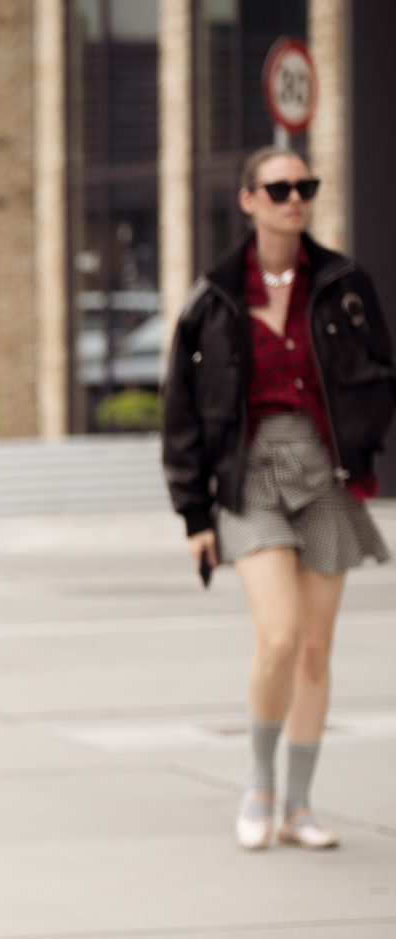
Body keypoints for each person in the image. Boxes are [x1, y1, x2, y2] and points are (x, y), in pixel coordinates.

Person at [162, 146, 394, 851]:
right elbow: (181, 413)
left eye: (305, 187)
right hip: (249, 475)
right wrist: (194, 514)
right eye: (280, 188)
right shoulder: (214, 299)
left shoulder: (344, 284)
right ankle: (259, 783)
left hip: (325, 473)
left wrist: (358, 452)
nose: (295, 198)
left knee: (317, 651)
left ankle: (298, 804)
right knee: (280, 637)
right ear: (248, 200)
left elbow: (380, 376)